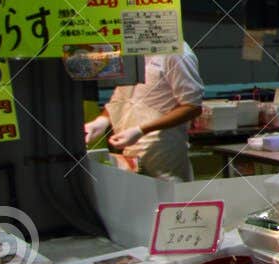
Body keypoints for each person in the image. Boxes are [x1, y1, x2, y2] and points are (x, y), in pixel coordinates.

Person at [82, 42, 205, 180]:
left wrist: (141, 130)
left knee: (164, 196)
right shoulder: (131, 50)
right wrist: (102, 121)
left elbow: (192, 106)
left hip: (163, 151)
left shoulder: (178, 53)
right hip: (128, 149)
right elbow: (121, 97)